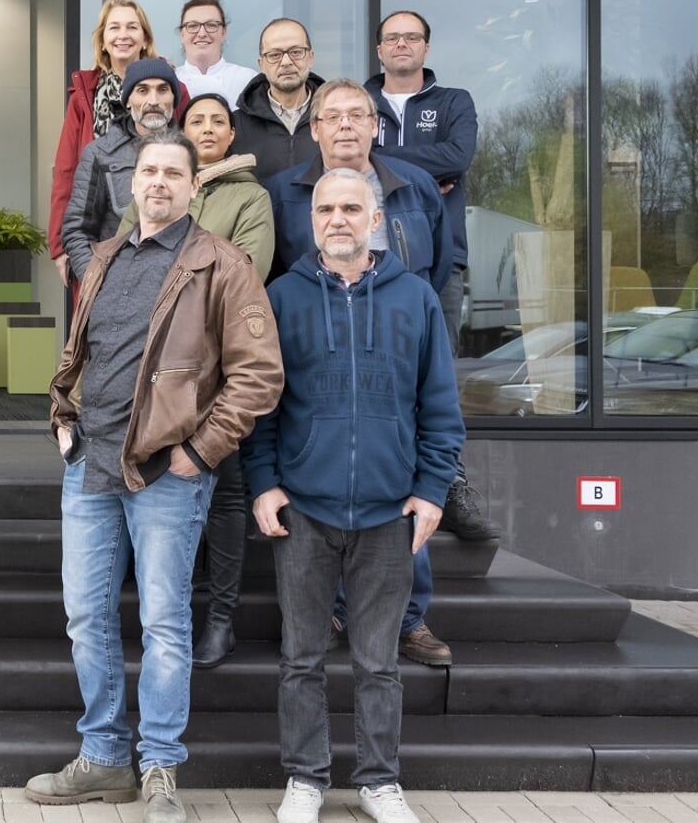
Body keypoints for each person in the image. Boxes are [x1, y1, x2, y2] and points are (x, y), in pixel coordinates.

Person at [26, 129, 283, 823]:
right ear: (130, 183)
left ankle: (161, 766)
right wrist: (62, 412)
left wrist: (200, 453)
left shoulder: (220, 263)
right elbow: (84, 350)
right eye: (149, 171)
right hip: (91, 463)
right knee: (87, 618)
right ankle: (104, 758)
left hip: (168, 471)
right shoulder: (106, 255)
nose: (160, 182)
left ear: (193, 187)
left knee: (165, 622)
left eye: (174, 172)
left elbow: (259, 375)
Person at [245, 168, 463, 823]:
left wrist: (431, 492)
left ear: (375, 219)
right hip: (304, 510)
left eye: (350, 208)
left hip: (389, 511)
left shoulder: (416, 299)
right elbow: (261, 410)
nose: (336, 218)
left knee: (378, 661)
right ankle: (306, 778)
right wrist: (264, 484)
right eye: (324, 209)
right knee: (301, 658)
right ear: (311, 220)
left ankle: (378, 780)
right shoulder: (281, 297)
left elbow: (441, 408)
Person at [263, 78, 454, 667]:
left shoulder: (416, 187)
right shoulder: (282, 193)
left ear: (377, 125)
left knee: (400, 493)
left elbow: (443, 265)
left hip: (392, 354)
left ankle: (409, 618)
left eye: (357, 115)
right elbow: (273, 282)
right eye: (332, 116)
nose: (345, 125)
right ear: (313, 128)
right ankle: (333, 610)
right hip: (316, 369)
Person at [116, 93, 273, 670]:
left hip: (218, 377)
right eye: (197, 120)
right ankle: (164, 622)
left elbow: (245, 273)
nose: (207, 128)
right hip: (149, 385)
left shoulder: (251, 198)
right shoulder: (150, 194)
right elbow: (123, 280)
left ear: (232, 135)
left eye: (218, 121)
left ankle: (222, 619)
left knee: (226, 499)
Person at [365, 10, 499, 543]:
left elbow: (458, 154)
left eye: (412, 37)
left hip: (437, 260)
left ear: (426, 47)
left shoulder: (453, 103)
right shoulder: (359, 102)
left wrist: (384, 161)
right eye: (392, 37)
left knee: (436, 375)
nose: (402, 45)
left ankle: (447, 480)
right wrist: (426, 173)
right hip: (369, 261)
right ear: (378, 48)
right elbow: (341, 155)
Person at [48, 0, 159, 288]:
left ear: (145, 38)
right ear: (102, 39)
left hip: (158, 221)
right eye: (114, 28)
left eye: (132, 27)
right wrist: (60, 246)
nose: (123, 35)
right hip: (96, 230)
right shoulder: (84, 95)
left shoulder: (169, 89)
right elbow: (65, 170)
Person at [61, 57, 179, 283]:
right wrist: (100, 287)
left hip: (180, 294)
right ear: (127, 100)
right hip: (119, 288)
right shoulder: (100, 153)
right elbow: (77, 231)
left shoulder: (190, 153)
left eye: (163, 90)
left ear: (174, 98)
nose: (153, 100)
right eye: (142, 90)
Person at [233, 17, 327, 180]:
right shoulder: (236, 126)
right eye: (275, 55)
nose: (286, 62)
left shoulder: (334, 119)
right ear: (261, 64)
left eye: (296, 52)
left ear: (310, 57)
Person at [171, 0, 259, 109]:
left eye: (211, 25)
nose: (202, 33)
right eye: (192, 26)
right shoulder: (170, 81)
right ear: (181, 34)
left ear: (224, 32)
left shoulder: (248, 80)